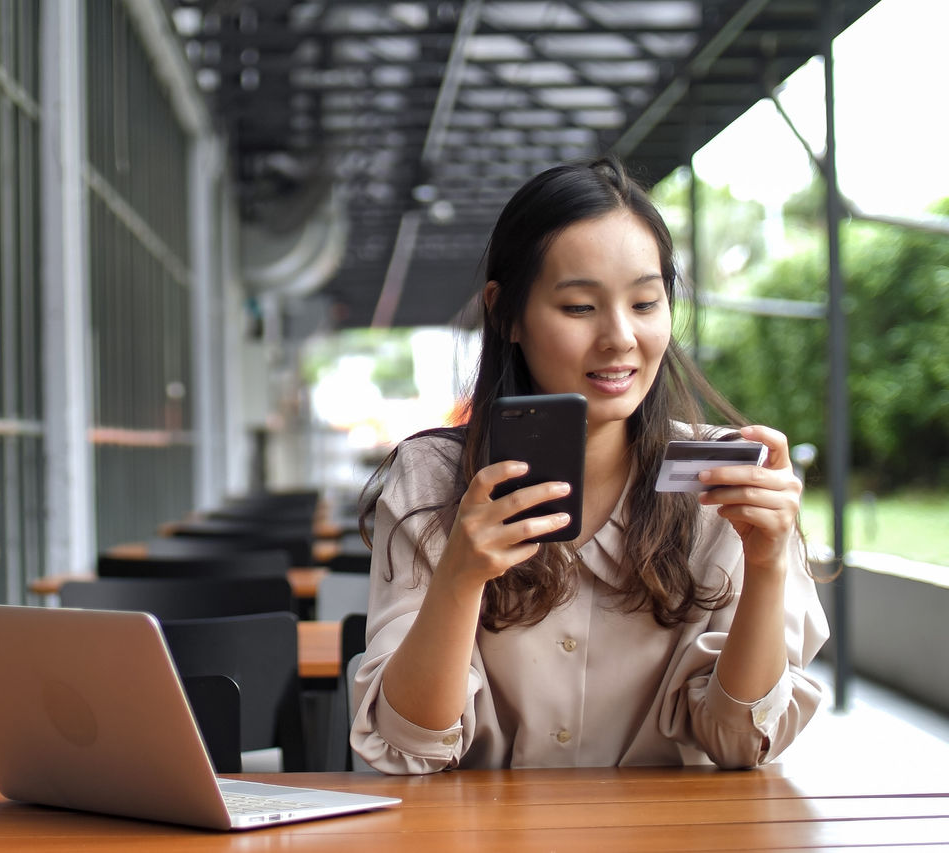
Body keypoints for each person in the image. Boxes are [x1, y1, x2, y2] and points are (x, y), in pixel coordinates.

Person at [349, 156, 829, 772]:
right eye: (579, 307)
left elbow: (739, 743)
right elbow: (409, 747)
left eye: (646, 303)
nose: (620, 337)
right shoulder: (434, 477)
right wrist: (461, 578)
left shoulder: (723, 483)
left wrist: (767, 564)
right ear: (506, 312)